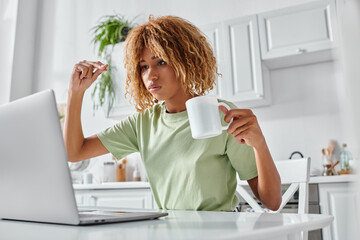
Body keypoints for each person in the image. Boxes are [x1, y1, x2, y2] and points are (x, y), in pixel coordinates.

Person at [64, 15, 281, 211]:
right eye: (143, 67)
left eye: (161, 62)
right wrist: (76, 93)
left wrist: (259, 143)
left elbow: (271, 201)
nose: (151, 76)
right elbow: (74, 152)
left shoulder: (222, 114)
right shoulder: (143, 123)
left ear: (187, 61)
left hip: (219, 232)